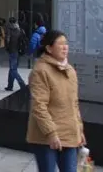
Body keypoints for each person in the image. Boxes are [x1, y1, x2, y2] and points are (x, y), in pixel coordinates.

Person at [27, 29, 85, 172]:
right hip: (46, 137)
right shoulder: (41, 71)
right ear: (49, 48)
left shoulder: (70, 70)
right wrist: (51, 133)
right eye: (60, 44)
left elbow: (74, 104)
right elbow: (39, 106)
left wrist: (79, 130)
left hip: (69, 134)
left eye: (66, 44)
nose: (65, 47)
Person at [4, 17, 27, 92]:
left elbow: (7, 41)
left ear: (9, 22)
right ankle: (10, 86)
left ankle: (22, 84)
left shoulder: (9, 30)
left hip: (12, 51)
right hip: (18, 51)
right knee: (12, 69)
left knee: (13, 69)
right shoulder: (20, 30)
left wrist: (7, 48)